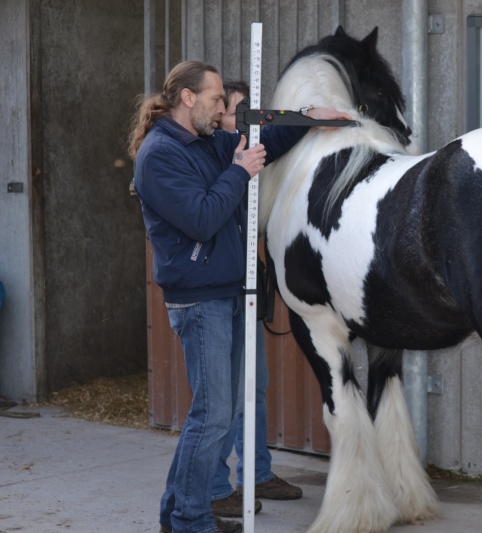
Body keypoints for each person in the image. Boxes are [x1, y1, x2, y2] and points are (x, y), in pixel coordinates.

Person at [128, 60, 349, 533]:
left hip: (227, 293)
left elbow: (269, 141)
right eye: (213, 100)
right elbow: (202, 219)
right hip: (199, 300)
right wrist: (239, 172)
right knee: (210, 418)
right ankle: (190, 521)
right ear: (187, 99)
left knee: (216, 415)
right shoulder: (160, 155)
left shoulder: (205, 141)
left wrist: (312, 116)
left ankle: (178, 513)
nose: (221, 110)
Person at [208, 80, 302, 519]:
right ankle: (212, 486)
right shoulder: (213, 156)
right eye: (239, 114)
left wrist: (312, 119)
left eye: (254, 115)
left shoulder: (248, 152)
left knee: (255, 387)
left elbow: (279, 136)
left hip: (245, 287)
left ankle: (257, 472)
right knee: (222, 397)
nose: (251, 125)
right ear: (218, 118)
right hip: (216, 292)